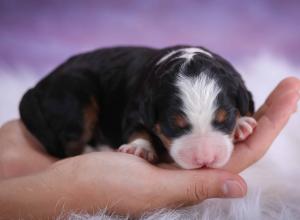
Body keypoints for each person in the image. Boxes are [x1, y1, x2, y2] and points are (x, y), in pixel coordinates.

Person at [0, 77, 299, 219]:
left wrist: (241, 119)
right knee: (73, 131)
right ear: (151, 118)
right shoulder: (140, 107)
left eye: (223, 122)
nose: (206, 155)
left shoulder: (229, 87)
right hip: (72, 94)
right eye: (178, 126)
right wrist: (68, 187)